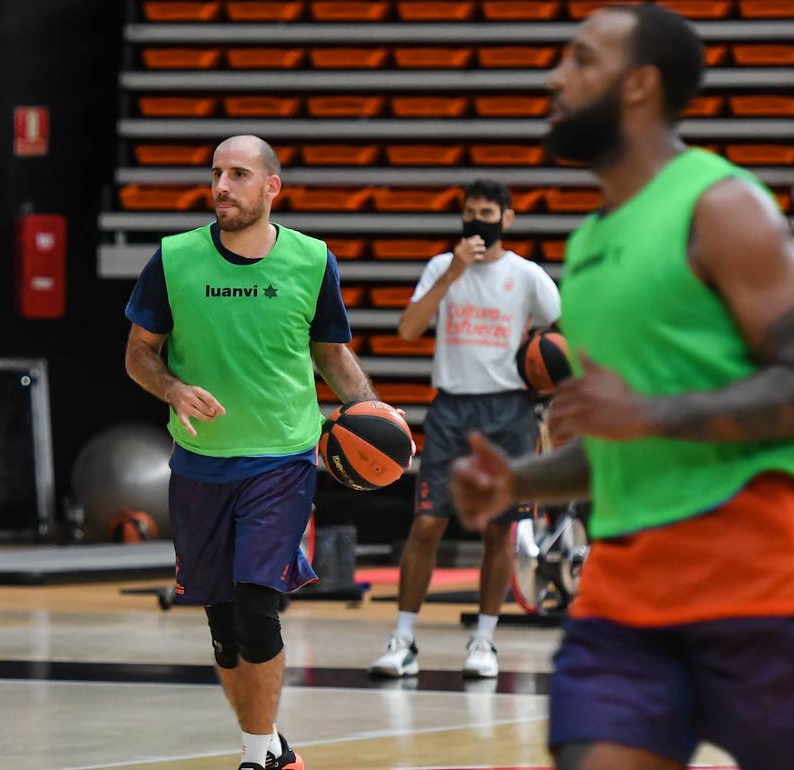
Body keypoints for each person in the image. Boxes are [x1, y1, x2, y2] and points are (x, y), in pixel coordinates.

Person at [451, 6, 794, 769]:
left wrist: (647, 414)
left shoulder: (724, 208)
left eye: (579, 59)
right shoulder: (590, 243)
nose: (555, 76)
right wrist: (517, 480)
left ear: (638, 85)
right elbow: (621, 440)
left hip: (756, 589)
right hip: (623, 597)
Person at [125, 134, 378, 770]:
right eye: (216, 172)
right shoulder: (173, 259)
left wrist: (371, 410)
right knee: (224, 624)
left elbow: (331, 356)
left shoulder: (312, 260)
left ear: (271, 187)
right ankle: (267, 746)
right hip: (200, 462)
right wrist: (173, 387)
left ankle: (257, 755)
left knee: (258, 607)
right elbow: (139, 353)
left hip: (281, 460)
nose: (221, 186)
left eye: (238, 173)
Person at [371, 180, 560, 679]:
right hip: (451, 408)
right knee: (427, 524)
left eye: (487, 212)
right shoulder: (441, 267)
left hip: (509, 411)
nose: (478, 221)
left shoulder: (526, 275)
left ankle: (484, 640)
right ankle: (403, 639)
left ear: (507, 219)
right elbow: (409, 330)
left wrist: (548, 374)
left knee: (500, 531)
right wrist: (452, 272)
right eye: (470, 212)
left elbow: (563, 337)